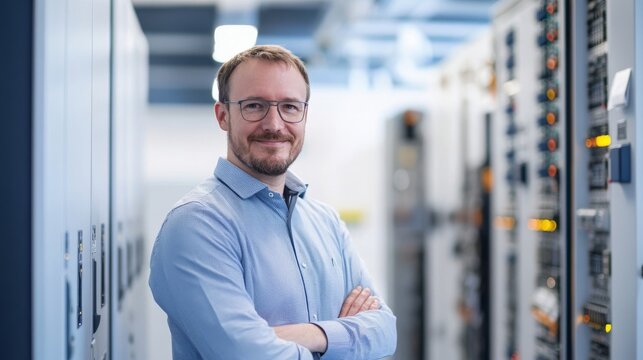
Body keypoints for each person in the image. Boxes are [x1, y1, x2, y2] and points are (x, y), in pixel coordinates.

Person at [149, 45, 397, 360]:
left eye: (290, 107)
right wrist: (346, 338)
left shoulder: (326, 222)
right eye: (254, 106)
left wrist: (309, 335)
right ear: (223, 116)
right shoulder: (196, 225)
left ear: (304, 114)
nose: (275, 124)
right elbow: (249, 355)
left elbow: (386, 332)